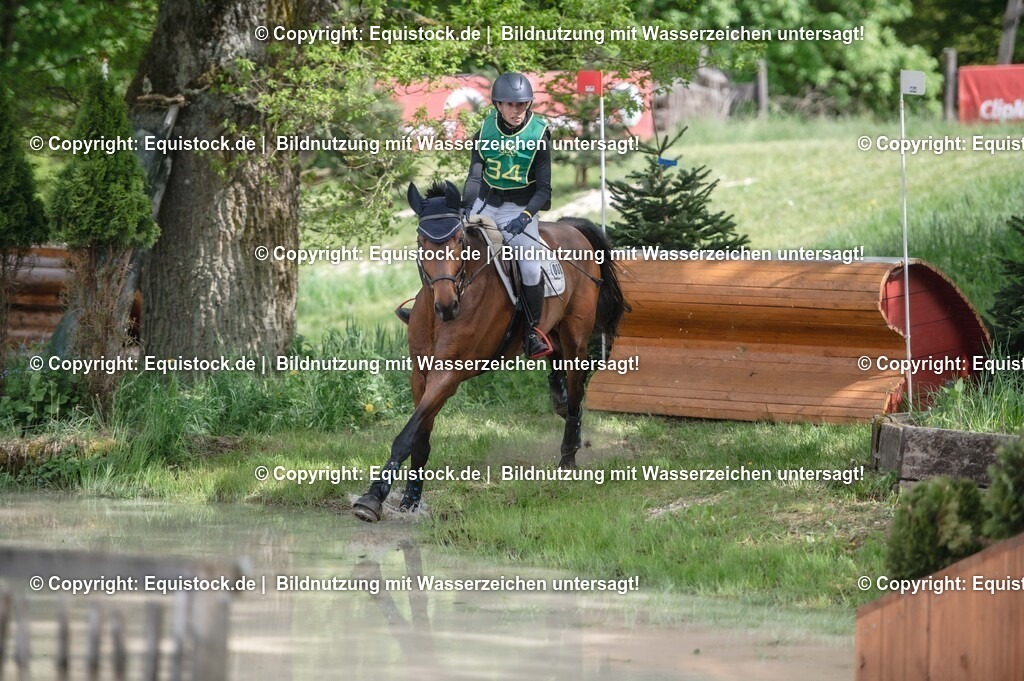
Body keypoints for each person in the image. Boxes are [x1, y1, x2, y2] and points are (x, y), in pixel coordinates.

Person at [462, 72, 553, 359]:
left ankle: (531, 333)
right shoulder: (485, 131)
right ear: (498, 105)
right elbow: (475, 177)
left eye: (523, 104)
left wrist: (525, 217)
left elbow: (545, 190)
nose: (518, 110)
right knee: (447, 244)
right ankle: (434, 307)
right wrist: (466, 208)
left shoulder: (539, 133)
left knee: (529, 266)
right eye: (511, 105)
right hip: (486, 201)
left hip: (521, 206)